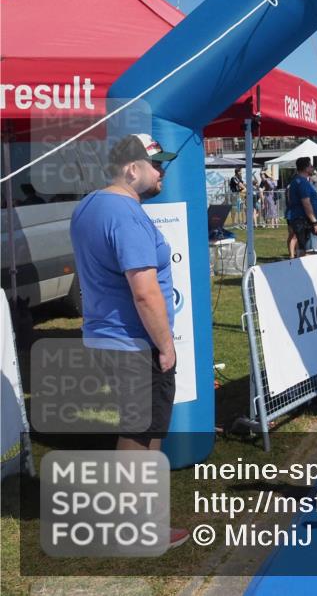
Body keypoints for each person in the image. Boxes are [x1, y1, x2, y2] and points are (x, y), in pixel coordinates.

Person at [69, 133, 188, 548]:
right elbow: (144, 290)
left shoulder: (88, 206)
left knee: (139, 428)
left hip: (107, 336)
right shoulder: (126, 214)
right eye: (158, 166)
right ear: (132, 168)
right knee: (140, 434)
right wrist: (166, 345)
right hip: (134, 341)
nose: (163, 175)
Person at [285, 157, 317, 258]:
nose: (312, 168)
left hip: (301, 219)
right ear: (306, 168)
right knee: (310, 252)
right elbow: (306, 203)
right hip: (305, 221)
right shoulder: (302, 182)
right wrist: (314, 222)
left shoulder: (297, 181)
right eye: (310, 166)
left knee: (302, 249)